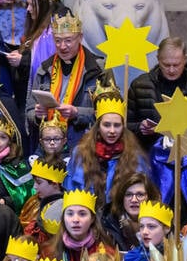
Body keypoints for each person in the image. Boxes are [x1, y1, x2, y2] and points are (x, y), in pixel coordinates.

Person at [65, 77, 151, 209]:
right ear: (98, 126)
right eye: (106, 125)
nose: (112, 131)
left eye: (117, 125)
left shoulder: (135, 156)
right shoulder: (80, 153)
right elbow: (70, 192)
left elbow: (143, 197)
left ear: (123, 126)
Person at [27, 12, 102, 150]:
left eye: (68, 40)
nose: (62, 46)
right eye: (57, 40)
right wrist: (37, 115)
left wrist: (77, 113)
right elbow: (29, 109)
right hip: (50, 144)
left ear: (80, 38)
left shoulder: (97, 69)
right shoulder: (44, 69)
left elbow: (108, 114)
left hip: (84, 144)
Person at [127, 36, 187, 151]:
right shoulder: (139, 86)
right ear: (158, 59)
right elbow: (125, 125)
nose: (172, 70)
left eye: (176, 64)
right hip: (148, 154)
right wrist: (140, 127)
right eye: (166, 65)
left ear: (185, 59)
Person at [98, 172, 161, 252]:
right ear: (122, 198)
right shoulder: (107, 222)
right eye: (128, 195)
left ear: (149, 197)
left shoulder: (162, 222)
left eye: (140, 195)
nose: (134, 200)